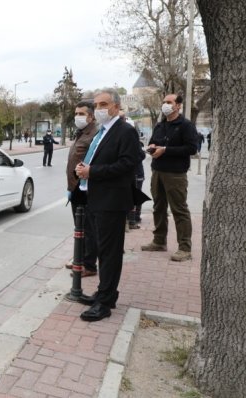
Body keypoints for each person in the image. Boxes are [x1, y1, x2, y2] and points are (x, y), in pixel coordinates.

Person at [74, 88, 142, 322]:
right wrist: (84, 168)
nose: (99, 109)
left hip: (112, 201)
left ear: (115, 106)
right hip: (96, 198)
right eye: (97, 105)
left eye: (103, 104)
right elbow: (96, 158)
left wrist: (93, 171)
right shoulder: (102, 131)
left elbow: (128, 164)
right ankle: (105, 293)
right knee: (103, 250)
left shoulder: (125, 131)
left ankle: (104, 303)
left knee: (110, 253)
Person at [140, 94, 198, 261]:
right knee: (158, 207)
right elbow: (153, 142)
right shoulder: (160, 125)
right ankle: (159, 241)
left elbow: (191, 148)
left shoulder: (186, 125)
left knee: (179, 210)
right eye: (164, 102)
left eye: (169, 102)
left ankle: (185, 248)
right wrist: (151, 147)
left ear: (178, 105)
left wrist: (165, 150)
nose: (165, 105)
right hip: (157, 171)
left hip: (176, 174)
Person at [65, 100, 98, 277]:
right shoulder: (82, 133)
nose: (77, 117)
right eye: (76, 113)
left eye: (81, 114)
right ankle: (80, 258)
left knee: (88, 228)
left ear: (91, 116)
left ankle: (89, 265)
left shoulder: (95, 134)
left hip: (86, 187)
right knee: (80, 227)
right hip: (76, 187)